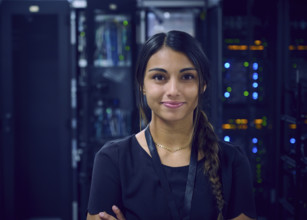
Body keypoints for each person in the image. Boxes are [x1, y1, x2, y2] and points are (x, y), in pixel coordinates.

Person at [87, 30, 257, 220]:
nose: (173, 90)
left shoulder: (232, 162)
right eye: (159, 77)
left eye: (187, 77)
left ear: (203, 85)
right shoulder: (113, 160)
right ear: (142, 84)